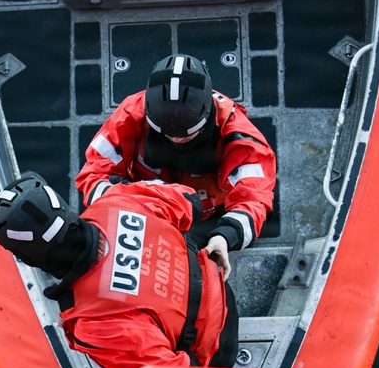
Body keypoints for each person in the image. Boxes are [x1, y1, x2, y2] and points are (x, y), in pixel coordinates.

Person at [0, 172, 238, 368]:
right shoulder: (114, 201)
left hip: (215, 349)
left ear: (29, 258)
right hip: (220, 287)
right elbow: (188, 200)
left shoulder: (93, 320)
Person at [76, 53, 277, 269]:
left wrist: (224, 238)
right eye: (167, 134)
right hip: (143, 214)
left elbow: (254, 199)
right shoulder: (130, 114)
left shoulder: (240, 136)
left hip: (208, 223)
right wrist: (132, 197)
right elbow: (93, 176)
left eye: (186, 134)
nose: (177, 139)